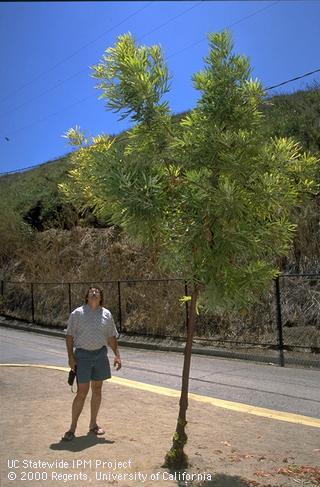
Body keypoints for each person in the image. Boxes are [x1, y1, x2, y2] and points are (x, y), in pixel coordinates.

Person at [62, 285, 121, 441]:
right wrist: (70, 357)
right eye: (91, 292)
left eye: (97, 292)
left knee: (97, 389)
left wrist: (117, 355)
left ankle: (93, 424)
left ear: (101, 297)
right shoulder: (78, 313)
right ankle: (72, 428)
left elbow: (111, 337)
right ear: (87, 297)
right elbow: (69, 336)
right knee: (82, 392)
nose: (94, 293)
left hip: (100, 355)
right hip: (83, 356)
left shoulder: (106, 314)